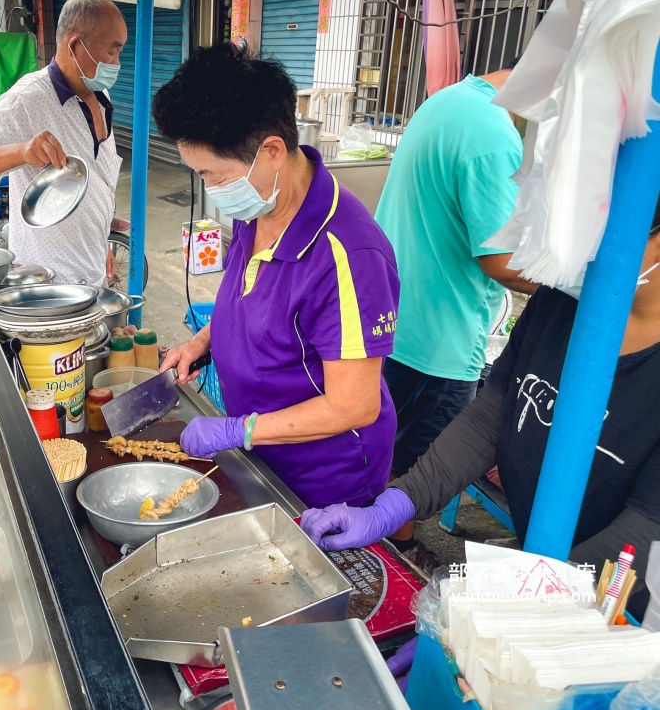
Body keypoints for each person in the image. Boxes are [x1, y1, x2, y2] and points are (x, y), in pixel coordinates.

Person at [301, 199, 660, 619]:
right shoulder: (562, 302)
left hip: (624, 604)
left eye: (590, 236)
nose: (574, 253)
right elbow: (490, 418)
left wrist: (498, 614)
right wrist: (396, 502)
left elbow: (647, 528)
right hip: (542, 562)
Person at [152, 43, 400, 509]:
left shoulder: (348, 255)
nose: (210, 189)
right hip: (261, 450)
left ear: (271, 151)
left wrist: (237, 429)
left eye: (214, 175)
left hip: (322, 478)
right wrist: (204, 341)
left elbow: (354, 405)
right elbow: (256, 305)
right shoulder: (259, 204)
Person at [373, 62, 539, 559]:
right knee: (420, 461)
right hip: (439, 338)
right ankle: (396, 552)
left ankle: (380, 539)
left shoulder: (448, 102)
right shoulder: (492, 135)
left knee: (386, 446)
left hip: (391, 316)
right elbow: (505, 261)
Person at [0, 0, 126, 286]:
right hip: (45, 286)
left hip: (91, 277)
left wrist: (101, 240)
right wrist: (21, 152)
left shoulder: (102, 95)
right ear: (75, 46)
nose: (117, 63)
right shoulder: (27, 99)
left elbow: (97, 184)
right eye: (112, 51)